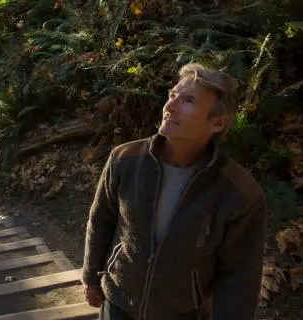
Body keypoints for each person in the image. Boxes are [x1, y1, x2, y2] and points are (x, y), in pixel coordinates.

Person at [82, 63, 267, 320]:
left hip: (183, 313)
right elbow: (101, 219)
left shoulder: (239, 193)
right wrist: (91, 278)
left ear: (216, 123)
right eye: (172, 95)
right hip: (119, 304)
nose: (170, 106)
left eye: (188, 100)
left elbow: (240, 274)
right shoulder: (125, 159)